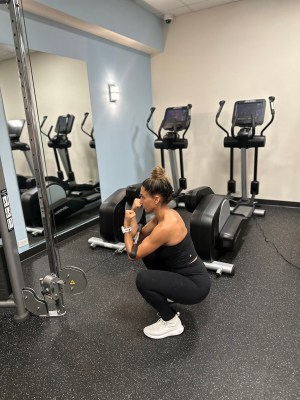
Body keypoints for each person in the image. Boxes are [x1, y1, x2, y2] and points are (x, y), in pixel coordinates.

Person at [123, 166, 211, 339]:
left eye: (142, 196)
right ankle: (170, 292)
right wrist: (134, 216)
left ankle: (171, 322)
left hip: (195, 286)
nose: (139, 200)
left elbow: (132, 254)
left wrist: (126, 224)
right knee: (149, 252)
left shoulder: (166, 226)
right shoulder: (163, 215)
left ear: (156, 199)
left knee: (143, 280)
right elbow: (139, 235)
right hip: (183, 275)